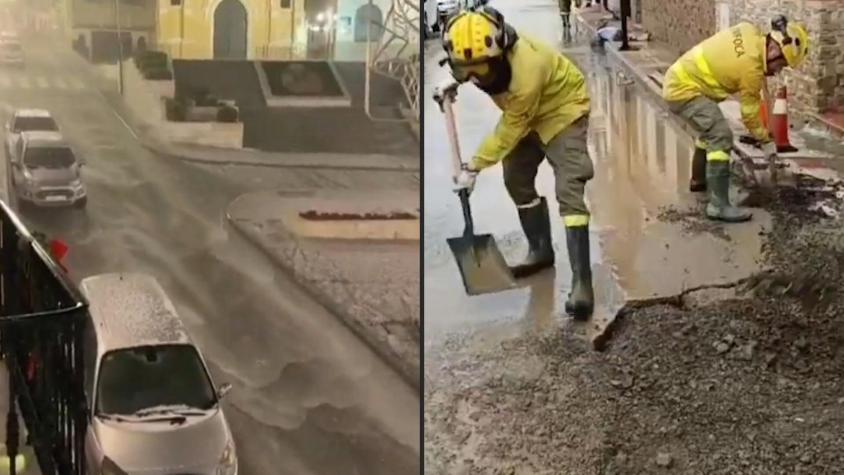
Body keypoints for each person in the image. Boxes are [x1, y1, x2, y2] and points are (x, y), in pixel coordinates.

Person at [433, 6, 595, 320]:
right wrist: (452, 81)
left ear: (502, 52)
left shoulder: (527, 70)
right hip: (527, 116)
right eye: (467, 70)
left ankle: (581, 283)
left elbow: (511, 127)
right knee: (516, 178)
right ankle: (540, 251)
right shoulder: (484, 57)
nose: (475, 77)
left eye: (481, 70)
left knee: (569, 188)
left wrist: (474, 165)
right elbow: (471, 67)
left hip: (563, 110)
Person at [662, 15, 809, 222]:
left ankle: (699, 181)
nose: (778, 71)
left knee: (709, 132)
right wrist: (766, 140)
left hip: (679, 78)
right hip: (684, 90)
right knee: (721, 136)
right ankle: (718, 205)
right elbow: (749, 115)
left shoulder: (748, 30)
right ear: (774, 50)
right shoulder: (751, 70)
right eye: (782, 64)